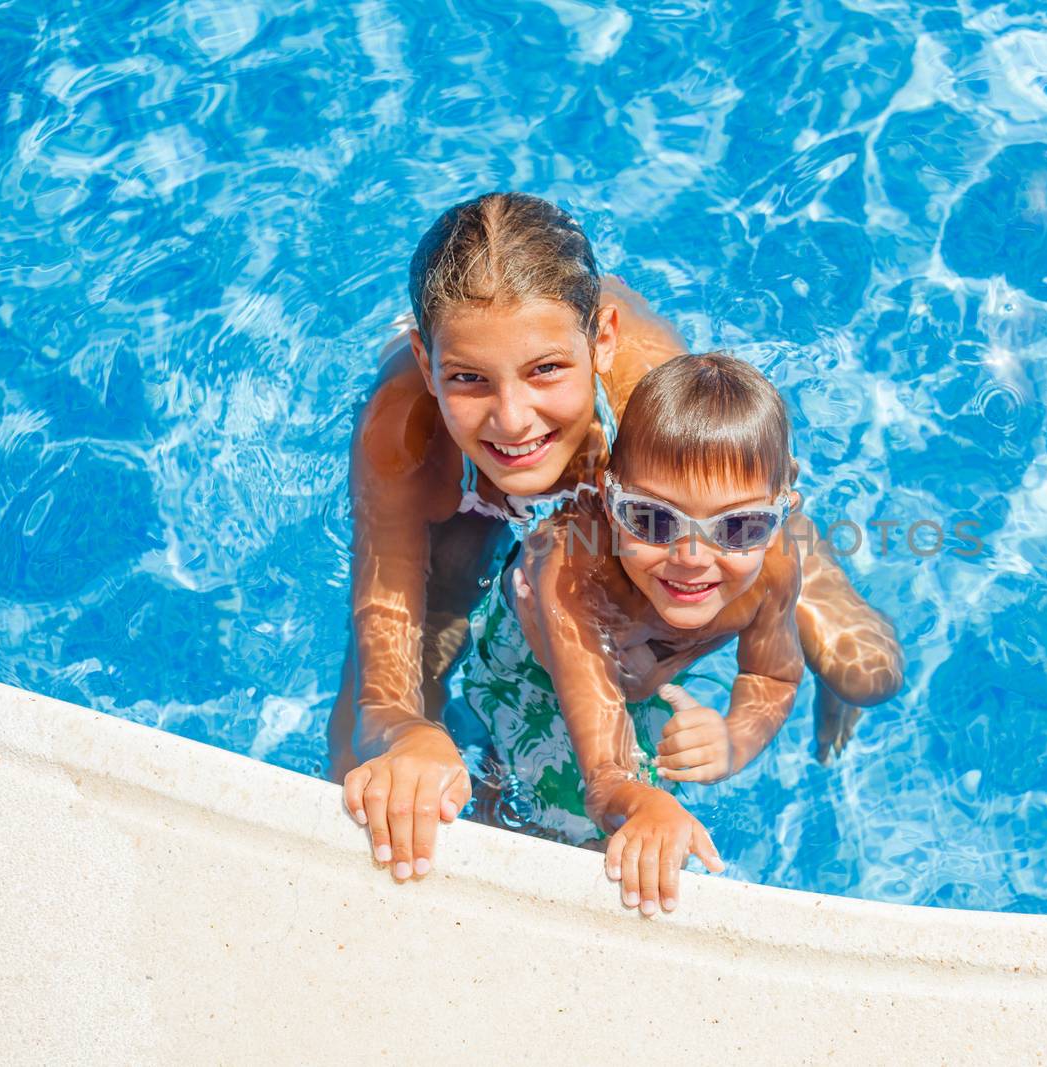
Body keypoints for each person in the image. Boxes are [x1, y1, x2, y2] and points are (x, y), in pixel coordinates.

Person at [330, 192, 902, 884]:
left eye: (546, 370)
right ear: (428, 364)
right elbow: (379, 672)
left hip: (664, 482)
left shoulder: (644, 388)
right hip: (467, 497)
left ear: (601, 340)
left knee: (861, 666)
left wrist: (823, 666)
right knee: (379, 768)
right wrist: (407, 735)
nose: (511, 421)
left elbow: (735, 498)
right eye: (468, 378)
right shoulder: (403, 436)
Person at [461, 353, 803, 914]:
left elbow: (772, 674)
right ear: (606, 495)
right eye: (652, 520)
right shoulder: (572, 569)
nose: (692, 558)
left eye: (740, 527)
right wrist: (637, 799)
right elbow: (605, 772)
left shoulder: (776, 568)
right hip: (529, 667)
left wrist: (735, 738)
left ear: (782, 512)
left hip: (644, 669)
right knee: (535, 826)